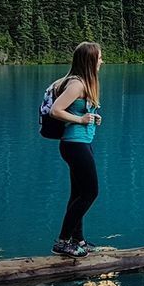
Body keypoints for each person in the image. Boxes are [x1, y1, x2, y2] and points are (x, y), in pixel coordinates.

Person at [48, 42, 103, 258]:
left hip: (80, 143)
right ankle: (62, 242)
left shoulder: (83, 83)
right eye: (98, 58)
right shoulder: (77, 85)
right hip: (74, 145)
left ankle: (77, 239)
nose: (101, 61)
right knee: (91, 192)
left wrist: (90, 118)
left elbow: (74, 111)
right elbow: (56, 111)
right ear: (89, 61)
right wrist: (80, 119)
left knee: (78, 193)